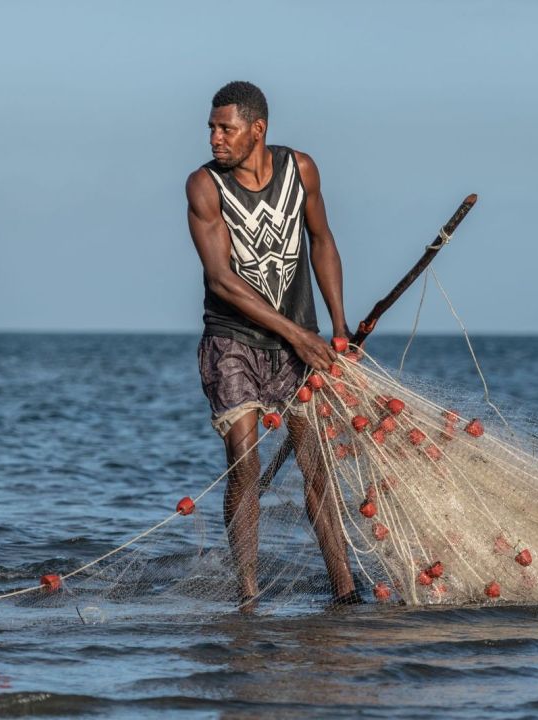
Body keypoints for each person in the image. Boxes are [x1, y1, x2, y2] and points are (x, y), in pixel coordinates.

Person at [186, 81, 360, 606]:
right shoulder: (204, 186)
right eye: (212, 128)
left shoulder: (300, 169)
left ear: (257, 129)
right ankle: (249, 595)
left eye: (226, 128)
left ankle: (346, 589)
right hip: (231, 340)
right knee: (244, 459)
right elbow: (220, 280)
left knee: (315, 464)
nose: (215, 138)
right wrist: (299, 335)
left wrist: (339, 329)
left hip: (300, 342)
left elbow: (322, 242)